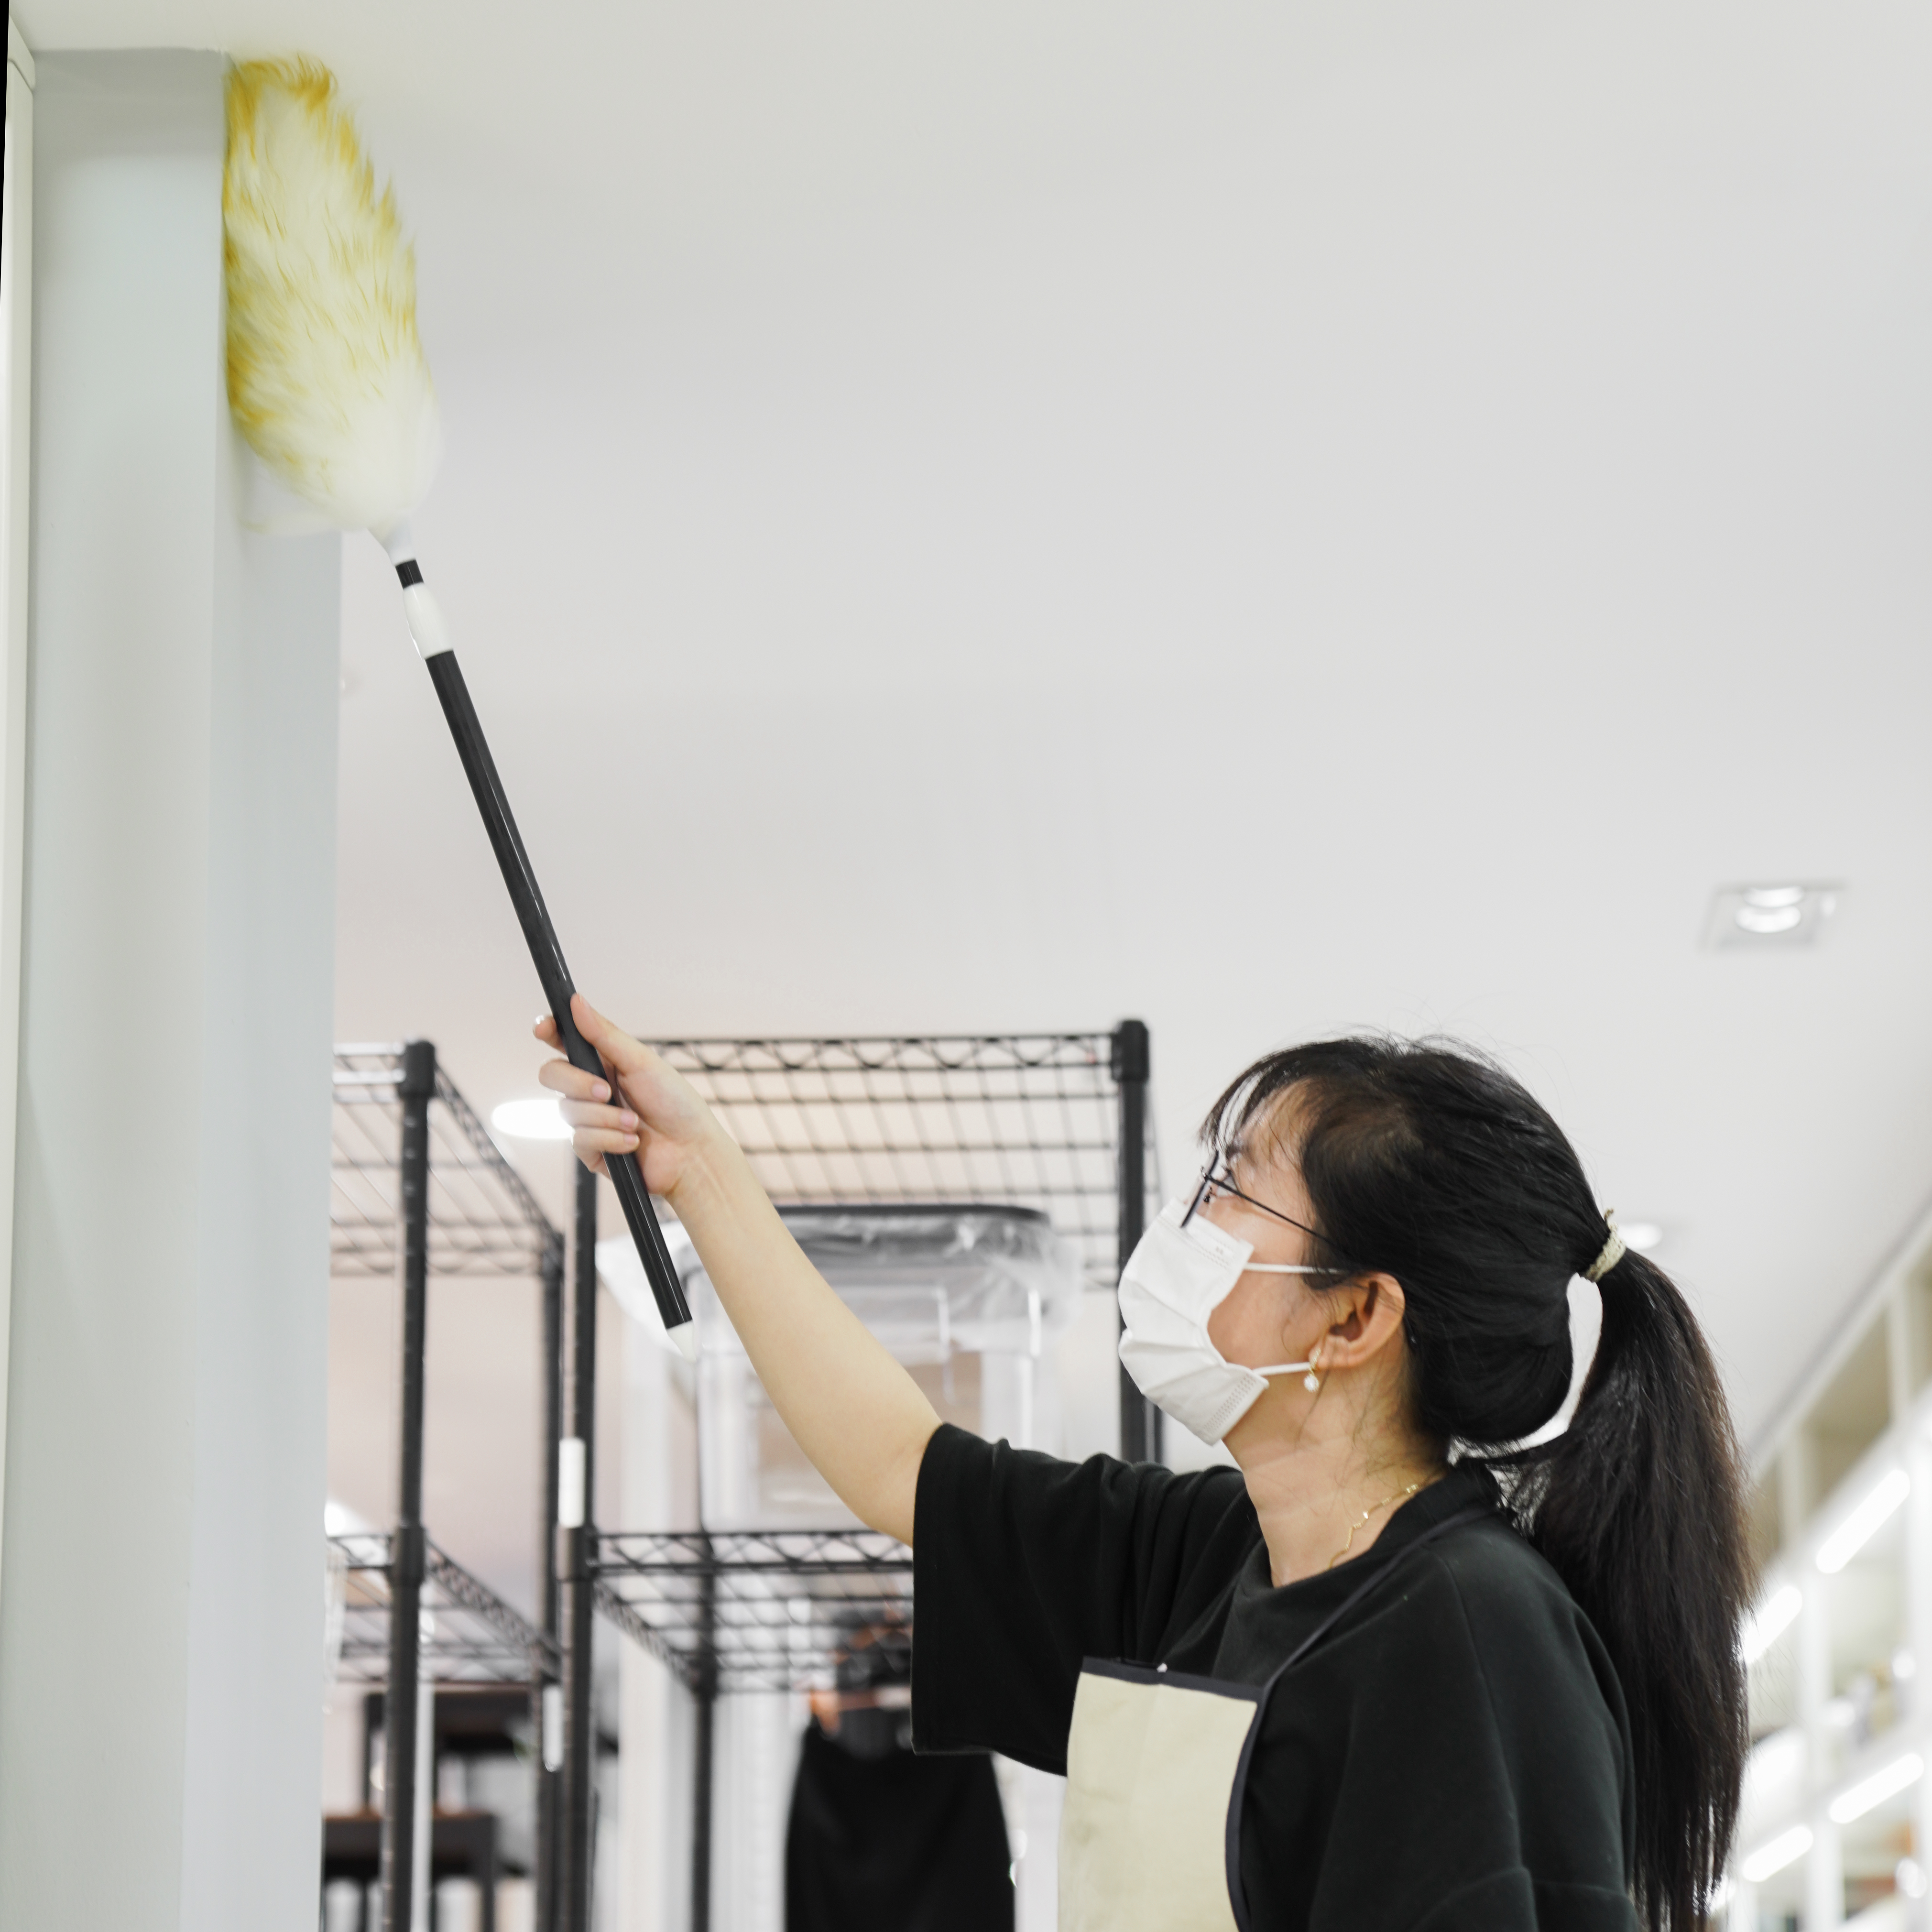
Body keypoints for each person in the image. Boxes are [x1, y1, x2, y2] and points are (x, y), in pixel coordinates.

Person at [538, 1000, 1750, 1932]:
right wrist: (699, 1169)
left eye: (1233, 1189)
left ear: (1352, 1317)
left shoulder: (1471, 1633)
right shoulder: (1219, 1550)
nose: (1186, 1224)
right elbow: (904, 1464)